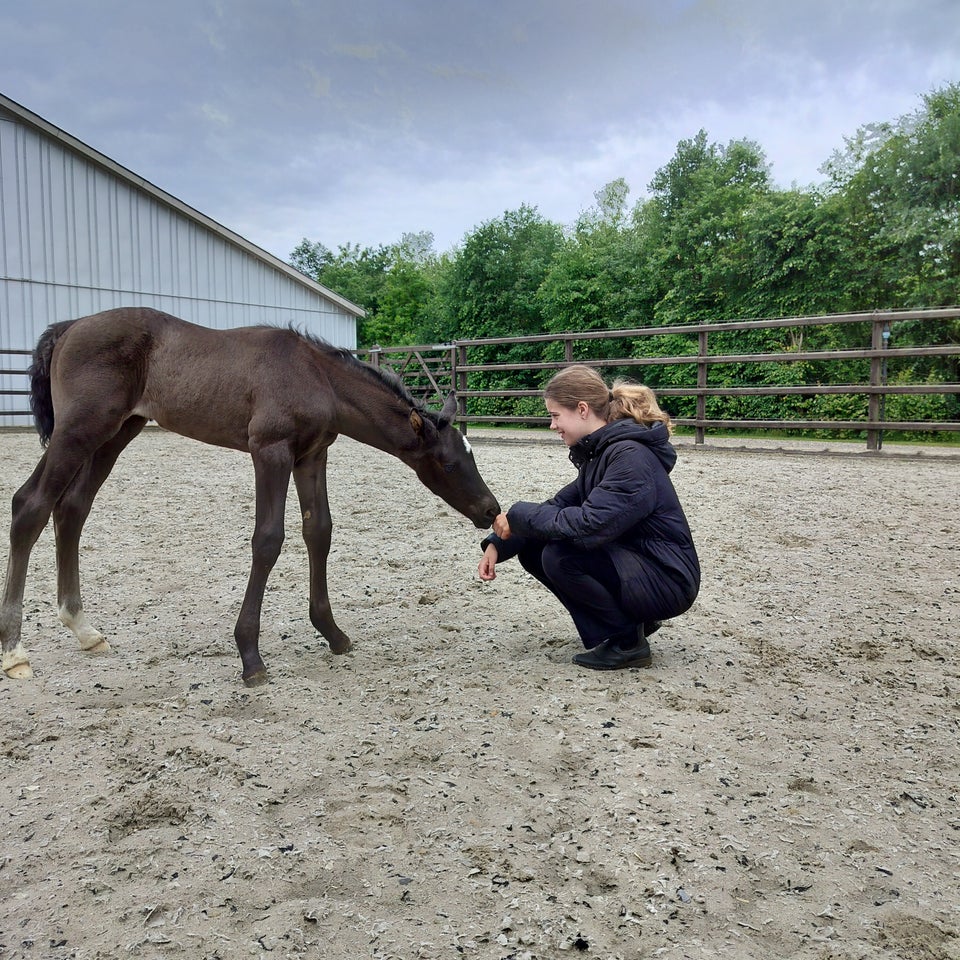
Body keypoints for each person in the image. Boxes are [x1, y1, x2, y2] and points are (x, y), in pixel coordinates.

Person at [478, 364, 700, 670]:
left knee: (561, 555)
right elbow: (559, 503)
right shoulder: (604, 454)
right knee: (535, 547)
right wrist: (499, 543)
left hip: (668, 580)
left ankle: (627, 642)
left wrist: (516, 515)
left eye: (555, 415)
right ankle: (630, 625)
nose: (552, 425)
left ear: (582, 409)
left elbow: (589, 525)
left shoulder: (629, 458)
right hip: (644, 567)